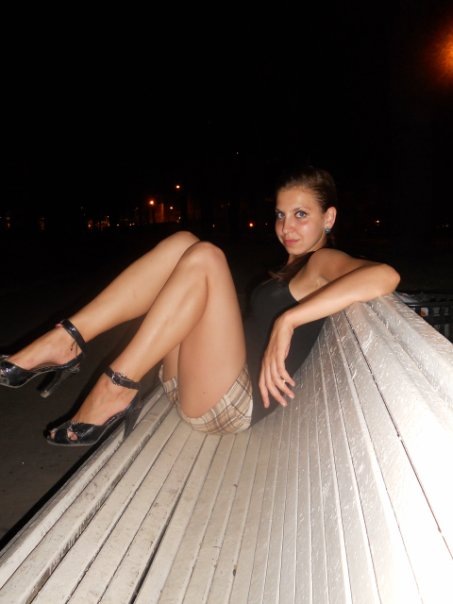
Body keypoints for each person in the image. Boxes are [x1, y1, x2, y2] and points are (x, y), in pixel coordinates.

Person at [0, 166, 400, 445]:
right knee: (184, 244)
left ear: (329, 218)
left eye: (301, 215)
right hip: (197, 384)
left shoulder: (323, 261)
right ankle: (68, 338)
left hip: (232, 405)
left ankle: (114, 386)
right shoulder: (295, 266)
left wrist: (288, 321)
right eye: (280, 215)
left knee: (206, 256)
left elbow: (385, 276)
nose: (286, 227)